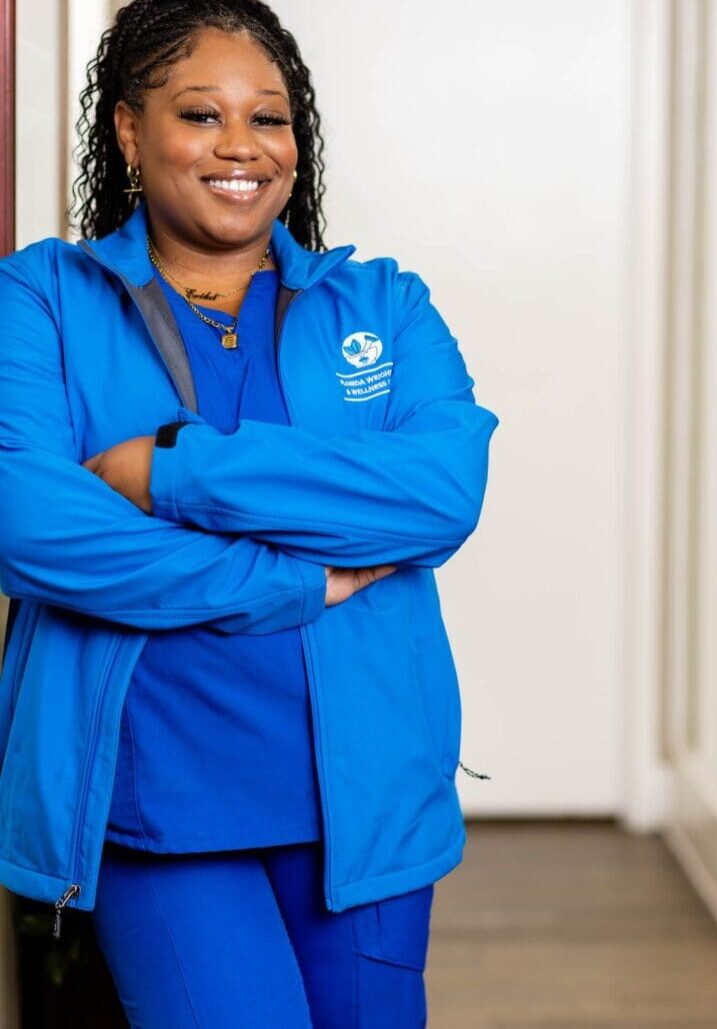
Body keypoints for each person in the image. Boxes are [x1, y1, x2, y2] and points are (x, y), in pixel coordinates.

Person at [0, 1, 499, 1025]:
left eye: (269, 119)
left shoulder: (381, 305)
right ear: (130, 131)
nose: (242, 147)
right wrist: (284, 580)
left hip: (367, 812)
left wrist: (175, 470)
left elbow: (438, 495)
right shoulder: (41, 298)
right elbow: (26, 517)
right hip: (157, 808)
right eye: (200, 113)